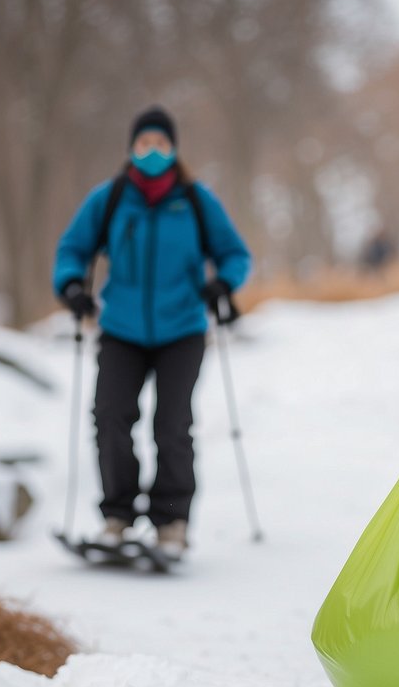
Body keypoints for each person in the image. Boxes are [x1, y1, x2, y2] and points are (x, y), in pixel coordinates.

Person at [53, 105, 251, 561]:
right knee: (111, 417)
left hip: (182, 329)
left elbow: (234, 254)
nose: (153, 151)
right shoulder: (110, 198)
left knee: (172, 424)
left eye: (161, 143)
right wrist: (71, 286)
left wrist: (222, 283)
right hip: (121, 328)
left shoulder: (196, 200)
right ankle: (117, 516)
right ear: (132, 148)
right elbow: (73, 249)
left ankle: (171, 522)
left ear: (174, 148)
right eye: (145, 143)